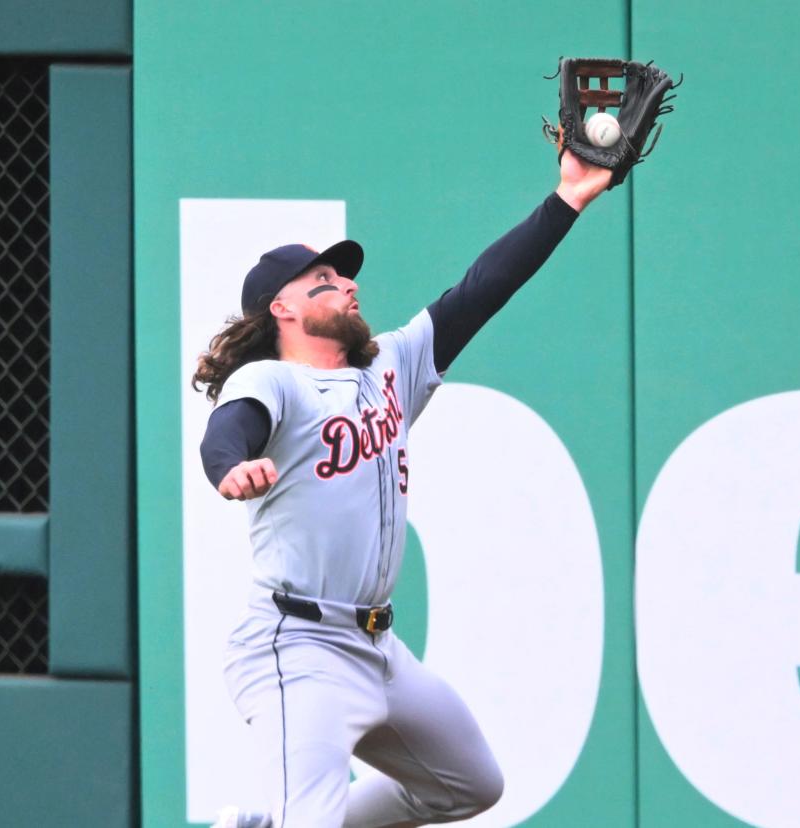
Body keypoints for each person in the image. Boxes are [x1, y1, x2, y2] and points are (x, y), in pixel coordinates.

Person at [192, 150, 612, 828]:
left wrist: (568, 198)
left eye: (345, 276)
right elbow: (229, 432)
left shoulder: (393, 362)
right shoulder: (270, 380)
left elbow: (481, 289)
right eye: (323, 280)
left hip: (378, 647)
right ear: (282, 308)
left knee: (469, 785)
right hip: (298, 647)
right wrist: (230, 469)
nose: (346, 286)